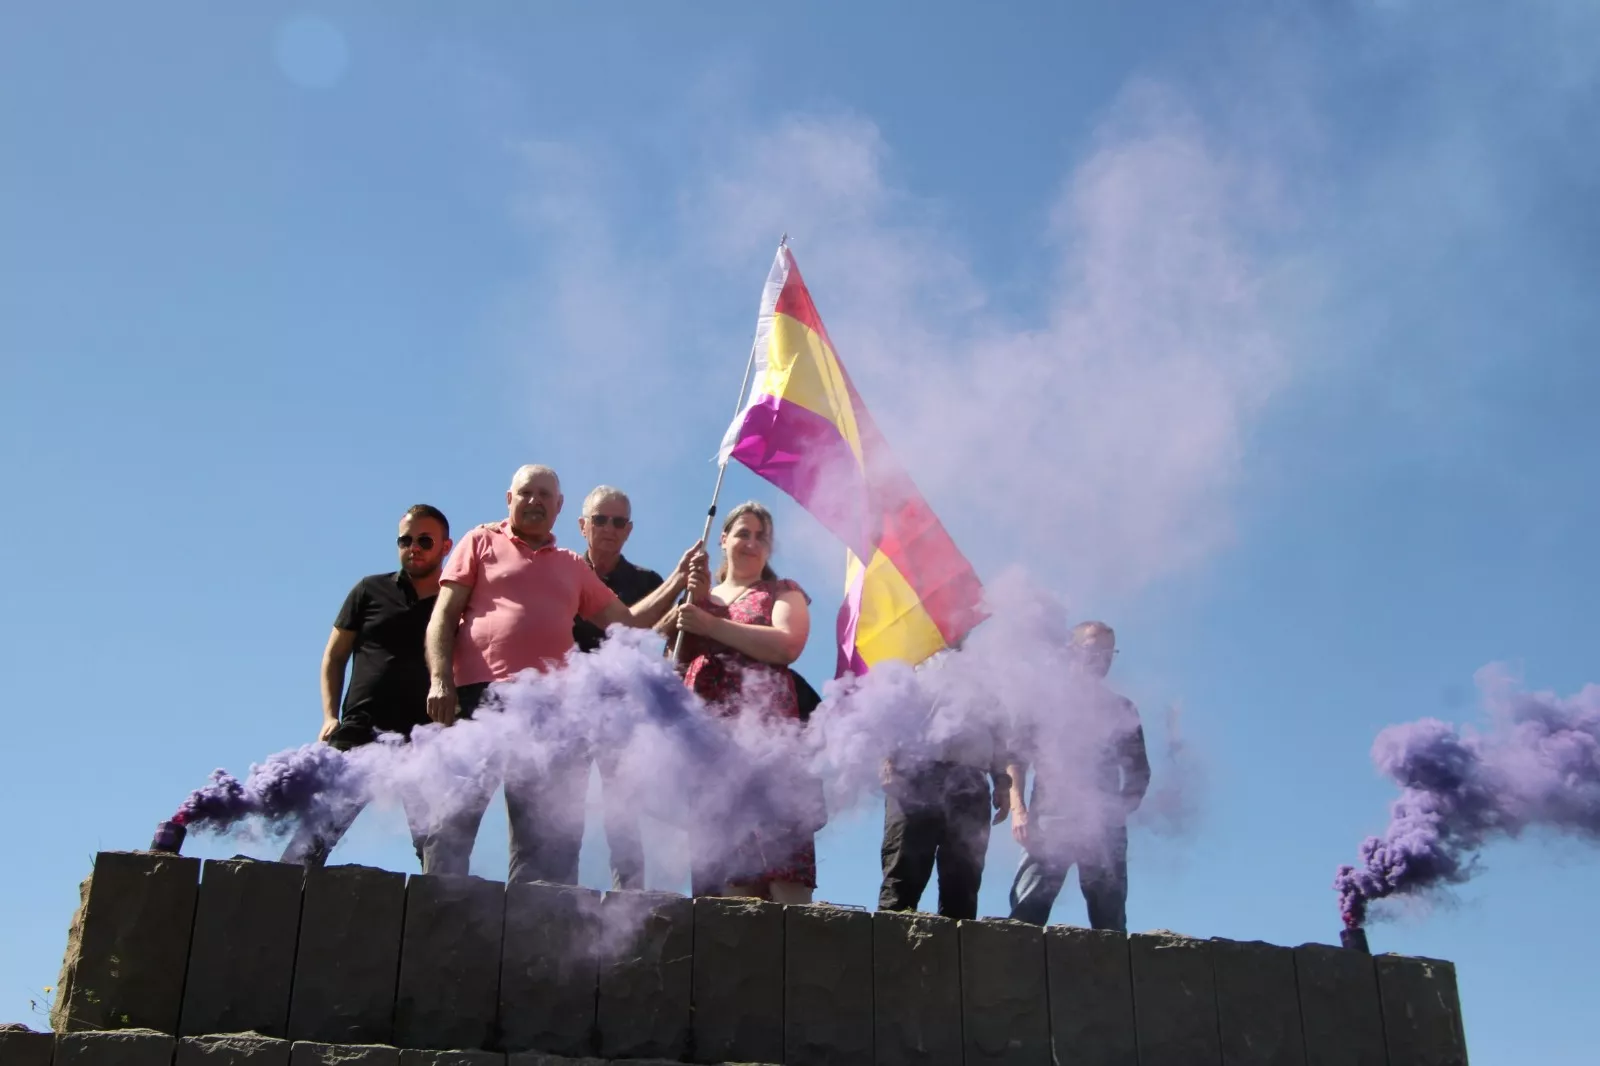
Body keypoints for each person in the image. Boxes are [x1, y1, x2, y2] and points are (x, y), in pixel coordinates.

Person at [423, 464, 701, 882]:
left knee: (542, 845)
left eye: (544, 495)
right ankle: (435, 916)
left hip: (547, 712)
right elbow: (442, 617)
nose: (534, 501)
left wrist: (679, 579)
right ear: (509, 499)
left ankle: (528, 937)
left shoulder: (572, 565)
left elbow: (626, 624)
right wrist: (440, 679)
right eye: (526, 493)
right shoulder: (480, 541)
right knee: (452, 824)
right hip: (478, 699)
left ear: (559, 507)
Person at [657, 501, 817, 904]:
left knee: (784, 877)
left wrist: (711, 624)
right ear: (723, 539)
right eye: (743, 533)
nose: (752, 542)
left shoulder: (783, 592)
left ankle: (794, 961)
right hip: (710, 750)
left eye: (761, 536)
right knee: (731, 882)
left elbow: (787, 645)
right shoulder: (696, 600)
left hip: (770, 748)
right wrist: (692, 601)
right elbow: (671, 667)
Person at [281, 505, 453, 868]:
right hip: (361, 729)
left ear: (445, 546)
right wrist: (329, 716)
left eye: (425, 540)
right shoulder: (369, 590)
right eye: (405, 540)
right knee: (315, 833)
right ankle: (275, 908)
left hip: (425, 738)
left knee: (437, 843)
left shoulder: (455, 604)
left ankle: (440, 918)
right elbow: (334, 655)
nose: (414, 548)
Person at [1006, 621, 1151, 931]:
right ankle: (1013, 976)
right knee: (1026, 913)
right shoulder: (1043, 702)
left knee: (1109, 919)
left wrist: (1116, 812)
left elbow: (1139, 771)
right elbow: (1015, 759)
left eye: (1110, 651)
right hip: (1049, 823)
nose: (1104, 657)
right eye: (1094, 649)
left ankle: (1112, 979)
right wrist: (1018, 811)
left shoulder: (1121, 708)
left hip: (1104, 830)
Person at [570, 484, 664, 891]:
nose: (608, 528)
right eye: (600, 520)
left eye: (618, 522)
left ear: (629, 530)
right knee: (560, 805)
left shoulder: (648, 582)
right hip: (565, 705)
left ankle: (631, 897)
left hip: (623, 711)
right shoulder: (561, 571)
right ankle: (550, 893)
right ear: (582, 525)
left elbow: (660, 645)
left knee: (624, 810)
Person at [877, 659, 1012, 919]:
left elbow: (998, 729)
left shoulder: (986, 662)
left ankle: (955, 956)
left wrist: (1001, 780)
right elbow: (886, 714)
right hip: (914, 777)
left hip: (971, 782)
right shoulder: (909, 659)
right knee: (902, 879)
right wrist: (886, 758)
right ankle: (889, 955)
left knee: (963, 884)